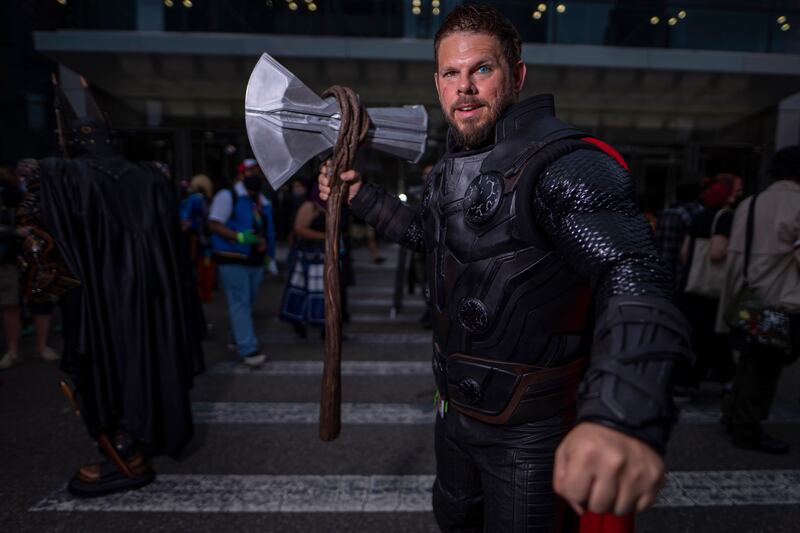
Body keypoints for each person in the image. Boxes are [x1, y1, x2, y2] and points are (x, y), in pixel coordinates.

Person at [317, 6, 690, 531]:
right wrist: (361, 197)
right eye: (452, 73)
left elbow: (632, 275)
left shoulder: (566, 166)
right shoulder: (448, 170)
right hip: (451, 416)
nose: (464, 87)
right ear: (438, 83)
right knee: (454, 520)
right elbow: (432, 236)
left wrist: (620, 413)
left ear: (517, 75)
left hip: (531, 432)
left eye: (482, 70)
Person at [16, 76, 205, 496]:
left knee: (116, 366)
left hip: (107, 302)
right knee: (144, 361)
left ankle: (128, 446)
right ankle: (135, 438)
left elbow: (32, 214)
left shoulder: (62, 176)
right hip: (148, 298)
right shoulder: (152, 176)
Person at [717, 146, 800, 454]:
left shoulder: (750, 203)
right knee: (766, 369)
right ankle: (747, 428)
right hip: (782, 299)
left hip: (749, 297)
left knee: (749, 362)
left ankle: (733, 415)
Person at [209, 158, 276, 366]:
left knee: (245, 303)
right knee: (240, 302)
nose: (255, 175)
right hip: (233, 258)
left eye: (258, 171)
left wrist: (269, 256)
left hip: (256, 260)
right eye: (250, 171)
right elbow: (213, 223)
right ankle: (248, 348)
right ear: (240, 174)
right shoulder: (228, 196)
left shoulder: (262, 201)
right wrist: (237, 237)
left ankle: (235, 338)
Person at [679, 174, 742, 387]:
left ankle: (691, 378)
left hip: (693, 283)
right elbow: (716, 253)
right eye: (737, 188)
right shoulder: (725, 218)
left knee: (696, 334)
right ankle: (723, 376)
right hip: (712, 287)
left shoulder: (699, 215)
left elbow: (685, 253)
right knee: (714, 332)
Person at [0, 160, 59, 370]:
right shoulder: (7, 196)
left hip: (38, 257)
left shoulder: (47, 198)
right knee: (10, 304)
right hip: (9, 256)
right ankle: (13, 351)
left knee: (42, 301)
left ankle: (41, 346)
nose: (23, 179)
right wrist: (13, 232)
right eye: (20, 174)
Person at [280, 183, 327, 339]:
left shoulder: (329, 205)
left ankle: (324, 328)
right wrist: (326, 237)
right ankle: (301, 324)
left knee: (325, 294)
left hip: (323, 256)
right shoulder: (310, 206)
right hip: (308, 255)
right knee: (305, 293)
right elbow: (299, 228)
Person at [180, 173, 215, 302]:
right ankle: (204, 292)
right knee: (204, 268)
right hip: (202, 240)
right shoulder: (201, 199)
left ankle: (200, 292)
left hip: (196, 239)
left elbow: (185, 218)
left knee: (199, 266)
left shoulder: (191, 199)